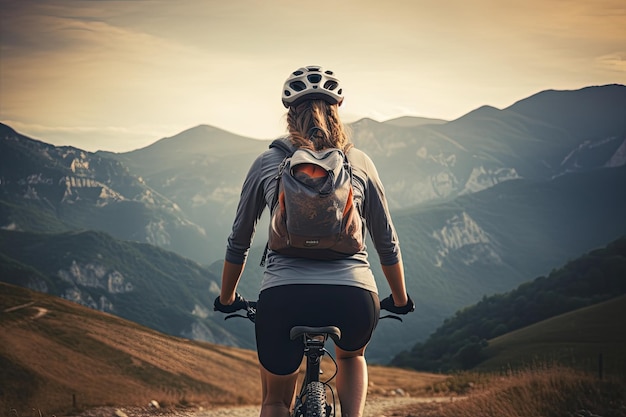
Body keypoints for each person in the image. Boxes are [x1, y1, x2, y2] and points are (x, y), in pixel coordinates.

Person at [214, 65, 414, 417]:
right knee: (351, 355)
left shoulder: (268, 163)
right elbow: (386, 241)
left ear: (290, 116)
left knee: (275, 401)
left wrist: (227, 297)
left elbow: (238, 241)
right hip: (353, 296)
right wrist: (399, 298)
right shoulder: (359, 162)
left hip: (283, 296)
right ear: (337, 112)